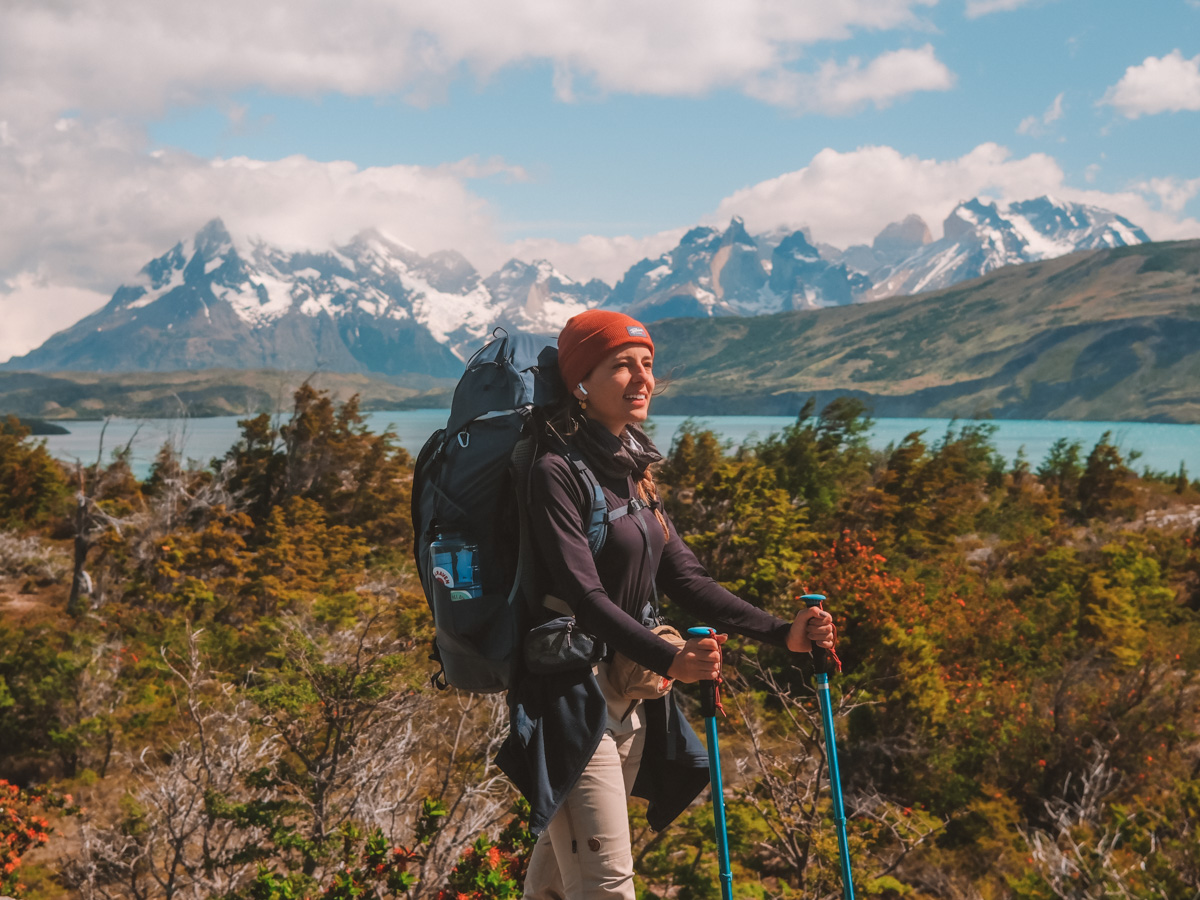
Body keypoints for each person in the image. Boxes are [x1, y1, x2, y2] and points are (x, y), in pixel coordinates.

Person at [496, 309, 836, 900]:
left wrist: (783, 632)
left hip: (630, 696)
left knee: (554, 887)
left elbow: (687, 579)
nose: (640, 379)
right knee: (608, 887)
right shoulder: (555, 471)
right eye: (620, 366)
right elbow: (586, 595)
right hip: (571, 702)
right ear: (581, 382)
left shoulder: (633, 469)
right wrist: (669, 659)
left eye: (646, 365)